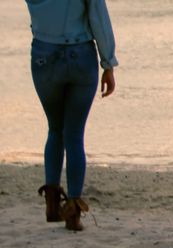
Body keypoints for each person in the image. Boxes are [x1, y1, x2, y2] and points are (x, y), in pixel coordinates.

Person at [26, 0, 118, 232]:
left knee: (55, 129)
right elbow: (99, 18)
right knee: (74, 135)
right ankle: (73, 212)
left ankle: (52, 204)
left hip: (44, 53)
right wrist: (108, 63)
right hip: (80, 54)